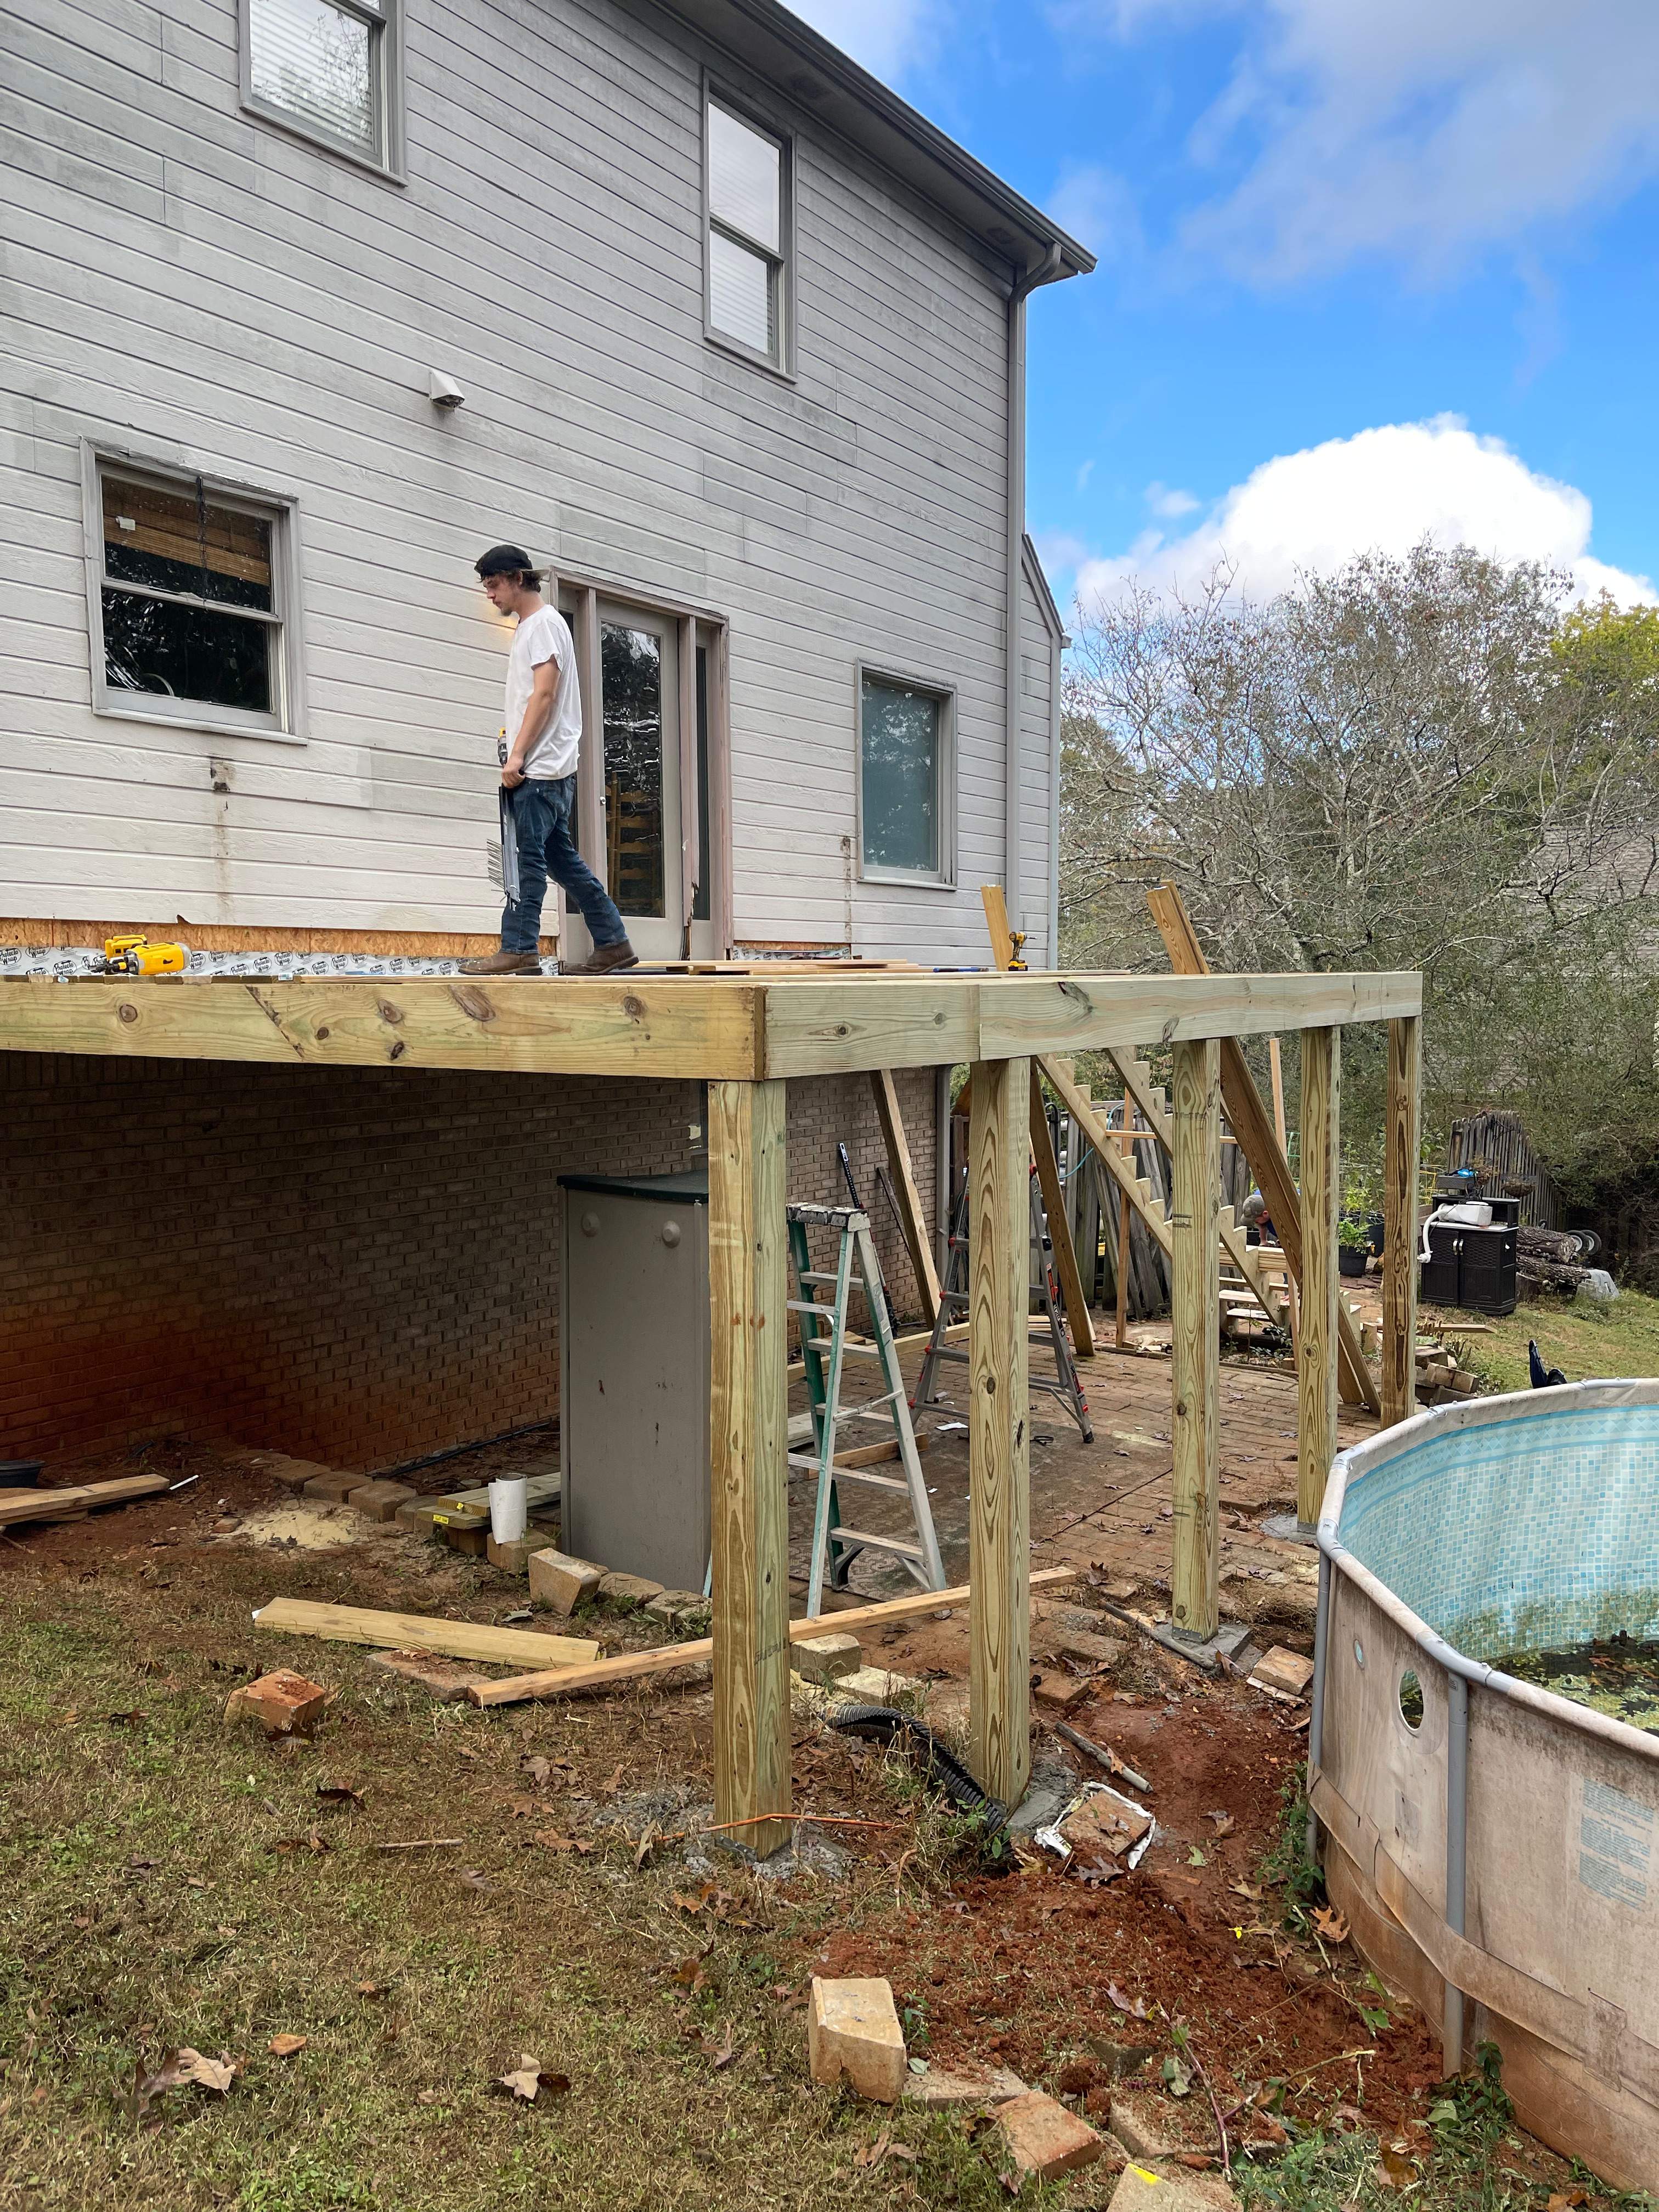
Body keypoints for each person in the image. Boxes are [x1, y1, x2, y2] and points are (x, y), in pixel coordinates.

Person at [459, 544, 636, 976]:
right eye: (486, 586)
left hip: (538, 769)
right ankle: (613, 942)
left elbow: (545, 693)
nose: (490, 594)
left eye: (494, 584)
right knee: (561, 861)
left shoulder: (541, 625)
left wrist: (517, 755)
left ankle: (519, 948)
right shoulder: (540, 626)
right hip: (552, 768)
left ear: (519, 578)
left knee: (525, 859)